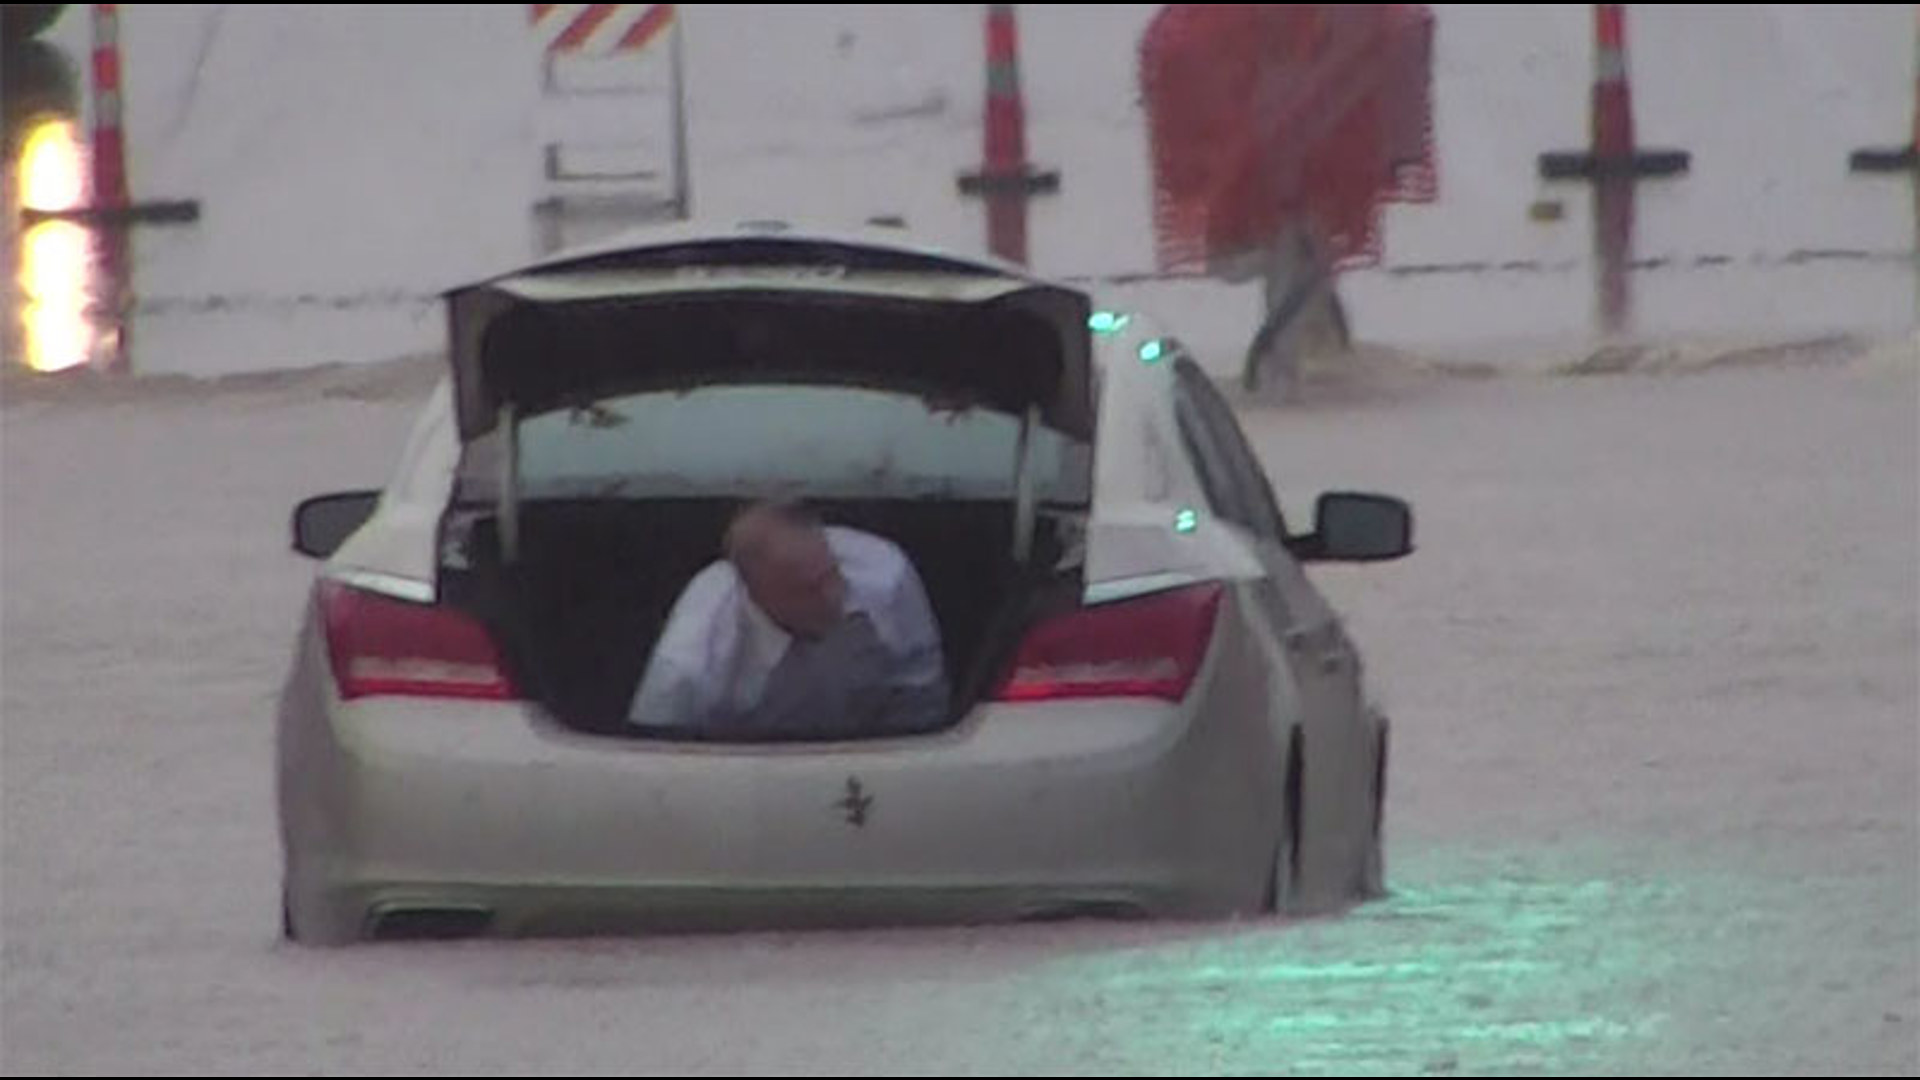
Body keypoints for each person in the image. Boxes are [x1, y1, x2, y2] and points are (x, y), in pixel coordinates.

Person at [627, 499, 949, 739]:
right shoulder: (688, 661)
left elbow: (921, 694)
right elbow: (656, 765)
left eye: (831, 575)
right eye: (806, 590)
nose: (832, 597)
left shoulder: (886, 575)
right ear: (754, 594)